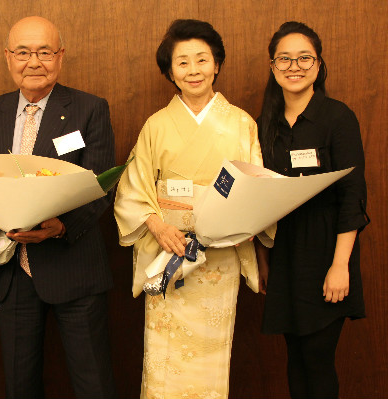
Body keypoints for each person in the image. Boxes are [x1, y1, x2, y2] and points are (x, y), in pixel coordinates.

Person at [0, 16, 116, 399]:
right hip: (11, 270)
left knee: (92, 383)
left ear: (60, 56)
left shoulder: (90, 108)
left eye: (44, 52)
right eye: (23, 52)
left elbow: (100, 186)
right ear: (7, 57)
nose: (34, 62)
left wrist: (60, 227)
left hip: (74, 265)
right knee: (19, 384)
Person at [114, 19, 263, 399]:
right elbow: (133, 187)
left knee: (211, 359)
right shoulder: (157, 125)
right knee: (164, 357)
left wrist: (233, 226)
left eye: (202, 60)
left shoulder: (241, 123)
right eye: (182, 62)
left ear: (217, 65)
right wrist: (159, 227)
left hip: (219, 254)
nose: (193, 70)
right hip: (168, 250)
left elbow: (256, 190)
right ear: (169, 71)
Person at [257, 21, 368, 399]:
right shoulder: (265, 124)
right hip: (284, 252)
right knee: (295, 358)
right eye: (284, 58)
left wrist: (340, 266)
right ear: (273, 67)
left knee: (318, 358)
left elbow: (352, 196)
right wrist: (262, 258)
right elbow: (257, 196)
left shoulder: (337, 117)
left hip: (327, 251)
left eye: (304, 57)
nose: (294, 66)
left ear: (318, 65)